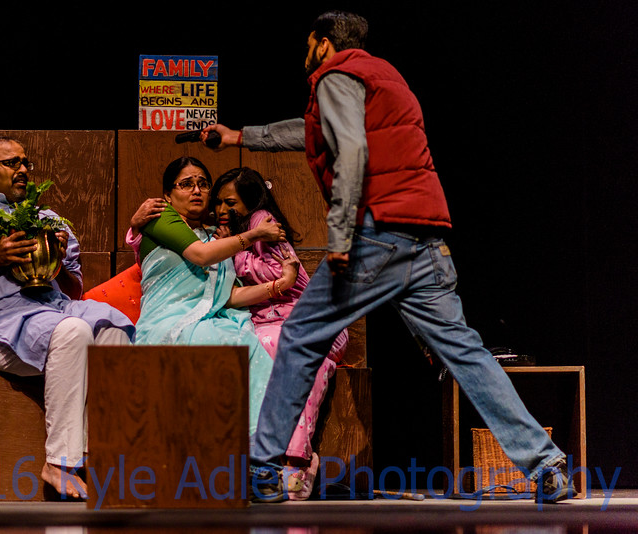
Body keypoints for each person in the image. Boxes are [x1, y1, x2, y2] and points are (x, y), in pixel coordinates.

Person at [203, 10, 577, 503]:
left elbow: (351, 150)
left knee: (299, 334)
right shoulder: (384, 77)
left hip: (376, 236)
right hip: (426, 239)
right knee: (465, 351)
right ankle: (547, 465)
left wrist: (339, 236)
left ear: (320, 43)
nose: (305, 54)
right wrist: (240, 137)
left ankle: (265, 467)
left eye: (307, 44)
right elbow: (316, 131)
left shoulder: (334, 76)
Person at [0, 136, 136, 499]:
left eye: (26, 163)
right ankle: (59, 462)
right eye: (13, 163)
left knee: (112, 327)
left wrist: (54, 258)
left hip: (51, 311)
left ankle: (99, 457)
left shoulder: (47, 219)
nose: (23, 170)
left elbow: (72, 289)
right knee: (74, 330)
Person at [125, 156, 295, 442]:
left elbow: (228, 297)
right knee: (217, 344)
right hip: (168, 321)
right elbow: (200, 256)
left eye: (203, 184)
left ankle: (260, 452)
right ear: (168, 195)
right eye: (186, 184)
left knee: (248, 345)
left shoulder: (215, 237)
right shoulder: (161, 219)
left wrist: (281, 284)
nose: (196, 191)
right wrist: (255, 234)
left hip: (213, 321)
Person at [210, 166, 349, 500]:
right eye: (219, 203)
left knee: (287, 350)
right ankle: (265, 462)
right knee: (254, 347)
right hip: (265, 318)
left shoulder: (261, 222)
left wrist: (234, 252)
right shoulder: (233, 232)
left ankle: (296, 460)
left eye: (231, 203)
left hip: (306, 318)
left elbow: (278, 272)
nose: (223, 210)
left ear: (251, 201)